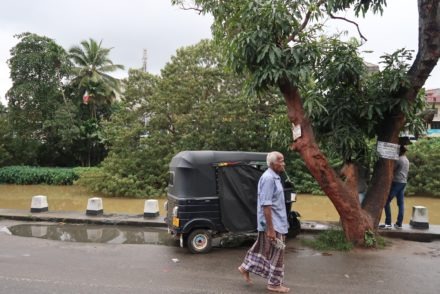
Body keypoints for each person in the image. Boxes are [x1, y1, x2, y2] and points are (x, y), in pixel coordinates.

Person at [238, 151, 290, 293]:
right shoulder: (268, 179)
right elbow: (266, 205)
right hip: (273, 224)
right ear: (273, 164)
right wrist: (271, 229)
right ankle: (274, 284)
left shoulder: (275, 177)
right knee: (277, 252)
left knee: (262, 248)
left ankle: (244, 267)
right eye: (281, 161)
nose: (283, 164)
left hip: (276, 222)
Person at [381, 145, 410, 229]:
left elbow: (392, 169)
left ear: (400, 151)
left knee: (386, 201)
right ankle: (399, 224)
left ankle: (388, 223)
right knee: (401, 204)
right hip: (403, 182)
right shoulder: (406, 160)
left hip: (397, 182)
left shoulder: (399, 160)